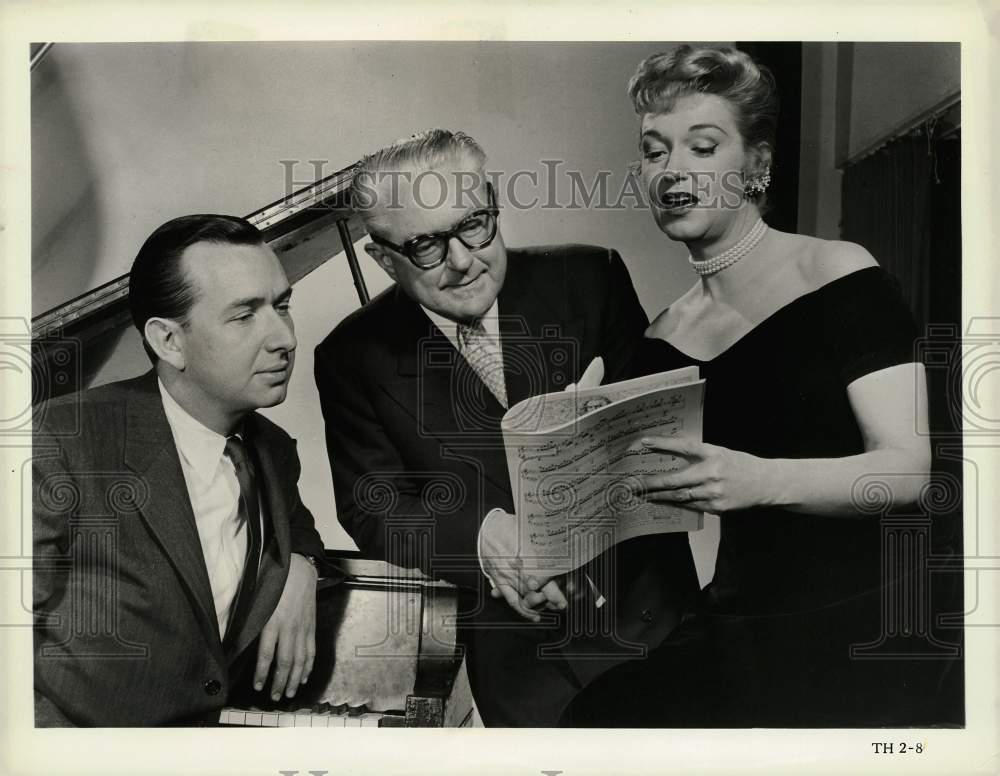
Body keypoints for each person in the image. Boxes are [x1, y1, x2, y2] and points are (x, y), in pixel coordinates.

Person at [567, 45, 947, 727]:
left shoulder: (835, 272)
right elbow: (644, 508)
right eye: (655, 152)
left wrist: (760, 481)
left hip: (874, 623)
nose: (672, 170)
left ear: (757, 166)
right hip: (741, 621)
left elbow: (910, 471)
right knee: (595, 723)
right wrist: (576, 440)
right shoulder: (662, 336)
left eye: (702, 147)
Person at [314, 129, 699, 726]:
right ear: (381, 258)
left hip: (656, 627)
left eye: (475, 223)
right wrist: (482, 533)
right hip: (525, 673)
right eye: (425, 245)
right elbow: (373, 505)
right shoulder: (349, 356)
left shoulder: (590, 278)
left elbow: (664, 439)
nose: (464, 260)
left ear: (493, 201)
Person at [33, 214, 332, 726]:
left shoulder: (273, 450)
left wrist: (303, 567)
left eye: (282, 306)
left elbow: (297, 528)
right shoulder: (59, 441)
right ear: (169, 341)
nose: (283, 338)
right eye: (244, 316)